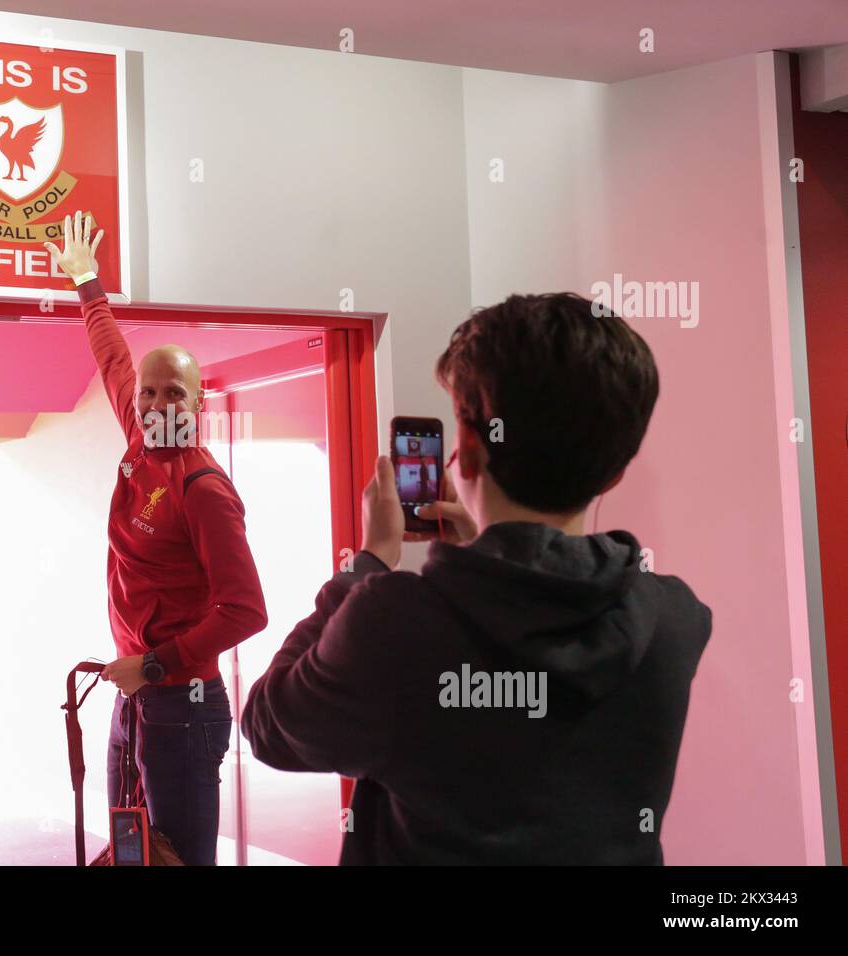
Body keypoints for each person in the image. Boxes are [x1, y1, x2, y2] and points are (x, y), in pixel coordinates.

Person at [241, 292, 713, 865]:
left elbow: (268, 724)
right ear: (616, 469)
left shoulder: (392, 622)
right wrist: (487, 564)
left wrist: (366, 563)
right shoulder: (675, 620)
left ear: (464, 450)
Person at [44, 211, 269, 866]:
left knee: (180, 860)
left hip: (184, 706)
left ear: (196, 405)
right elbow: (112, 355)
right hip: (139, 695)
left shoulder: (203, 488)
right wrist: (86, 281)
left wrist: (153, 664)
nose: (156, 403)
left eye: (174, 393)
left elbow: (246, 610)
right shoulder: (140, 437)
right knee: (135, 851)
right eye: (149, 391)